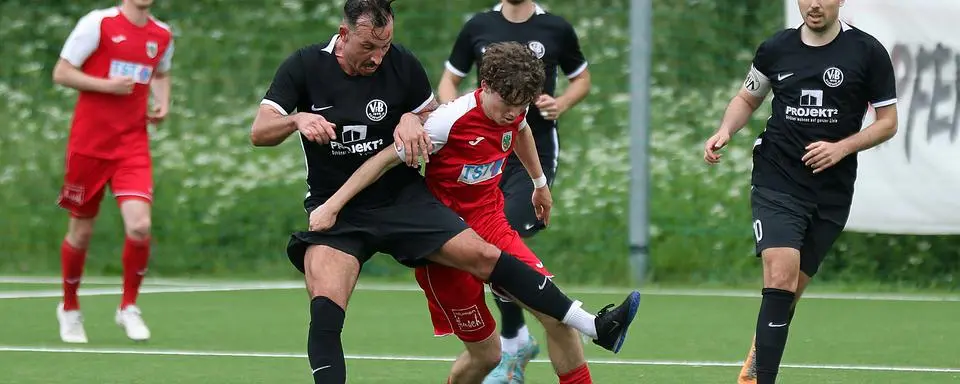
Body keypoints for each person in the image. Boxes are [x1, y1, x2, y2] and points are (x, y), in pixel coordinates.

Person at [250, 1, 639, 383]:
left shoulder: (401, 62)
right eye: (368, 47)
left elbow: (429, 115)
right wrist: (296, 119)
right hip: (339, 204)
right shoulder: (304, 65)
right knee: (326, 311)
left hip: (405, 199)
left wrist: (408, 117)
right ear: (344, 34)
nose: (377, 57)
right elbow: (260, 132)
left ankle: (593, 324)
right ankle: (589, 325)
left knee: (491, 263)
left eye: (385, 45)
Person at [310, 41, 601, 384]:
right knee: (488, 355)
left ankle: (590, 334)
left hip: (492, 224)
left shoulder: (515, 108)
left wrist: (540, 184)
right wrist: (331, 205)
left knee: (558, 317)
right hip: (445, 242)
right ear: (486, 86)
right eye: (507, 104)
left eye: (521, 105)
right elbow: (382, 160)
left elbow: (520, 129)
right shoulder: (446, 121)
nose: (513, 112)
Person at [702, 1, 898, 383]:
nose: (813, 4)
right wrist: (726, 130)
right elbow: (747, 98)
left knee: (788, 292)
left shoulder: (868, 52)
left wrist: (841, 147)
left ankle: (753, 367)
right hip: (777, 177)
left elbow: (887, 123)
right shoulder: (776, 48)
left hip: (832, 191)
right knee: (779, 273)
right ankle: (762, 380)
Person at [436, 2, 592, 380]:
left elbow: (581, 79)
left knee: (506, 232)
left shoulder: (555, 27)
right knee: (491, 251)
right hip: (479, 156)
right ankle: (516, 338)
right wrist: (453, 121)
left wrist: (562, 103)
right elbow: (449, 79)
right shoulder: (479, 26)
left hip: (526, 157)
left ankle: (515, 338)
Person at [52, 0, 174, 344]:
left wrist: (163, 102)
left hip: (132, 146)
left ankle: (128, 307)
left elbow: (161, 73)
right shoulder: (98, 23)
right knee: (81, 233)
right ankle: (70, 308)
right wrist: (106, 85)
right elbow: (61, 72)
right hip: (88, 147)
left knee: (140, 225)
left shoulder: (162, 34)